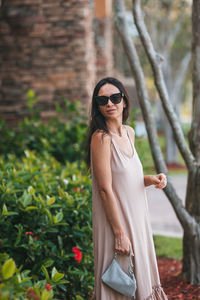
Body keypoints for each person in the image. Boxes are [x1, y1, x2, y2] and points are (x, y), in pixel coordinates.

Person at [86, 77, 168, 300]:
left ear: (124, 101)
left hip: (138, 219)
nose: (109, 103)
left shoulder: (129, 133)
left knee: (140, 279)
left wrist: (152, 179)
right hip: (117, 221)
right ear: (98, 106)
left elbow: (128, 177)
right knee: (120, 284)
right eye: (103, 100)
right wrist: (119, 233)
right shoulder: (101, 138)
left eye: (115, 97)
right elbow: (104, 189)